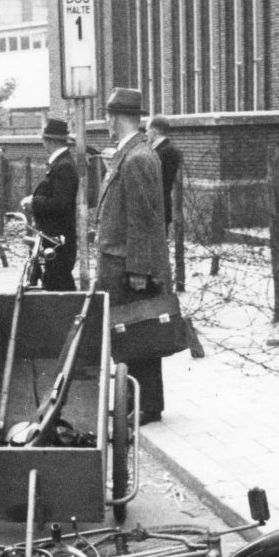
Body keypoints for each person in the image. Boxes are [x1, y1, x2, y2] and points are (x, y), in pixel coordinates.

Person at [94, 88, 171, 424]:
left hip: (127, 264)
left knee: (135, 336)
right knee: (134, 335)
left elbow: (143, 217)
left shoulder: (137, 157)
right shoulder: (132, 153)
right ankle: (140, 402)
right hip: (121, 261)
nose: (107, 123)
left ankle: (143, 405)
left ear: (115, 118)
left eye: (108, 117)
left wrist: (139, 269)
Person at [21, 118, 78, 291]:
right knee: (56, 286)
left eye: (44, 139)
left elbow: (61, 203)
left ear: (50, 141)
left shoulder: (64, 166)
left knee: (59, 290)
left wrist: (34, 201)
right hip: (53, 239)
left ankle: (76, 316)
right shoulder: (60, 163)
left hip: (57, 242)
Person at [146, 115, 182, 235]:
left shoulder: (166, 151)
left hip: (158, 208)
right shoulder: (159, 150)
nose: (146, 134)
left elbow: (161, 182)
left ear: (154, 131)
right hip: (155, 208)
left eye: (147, 130)